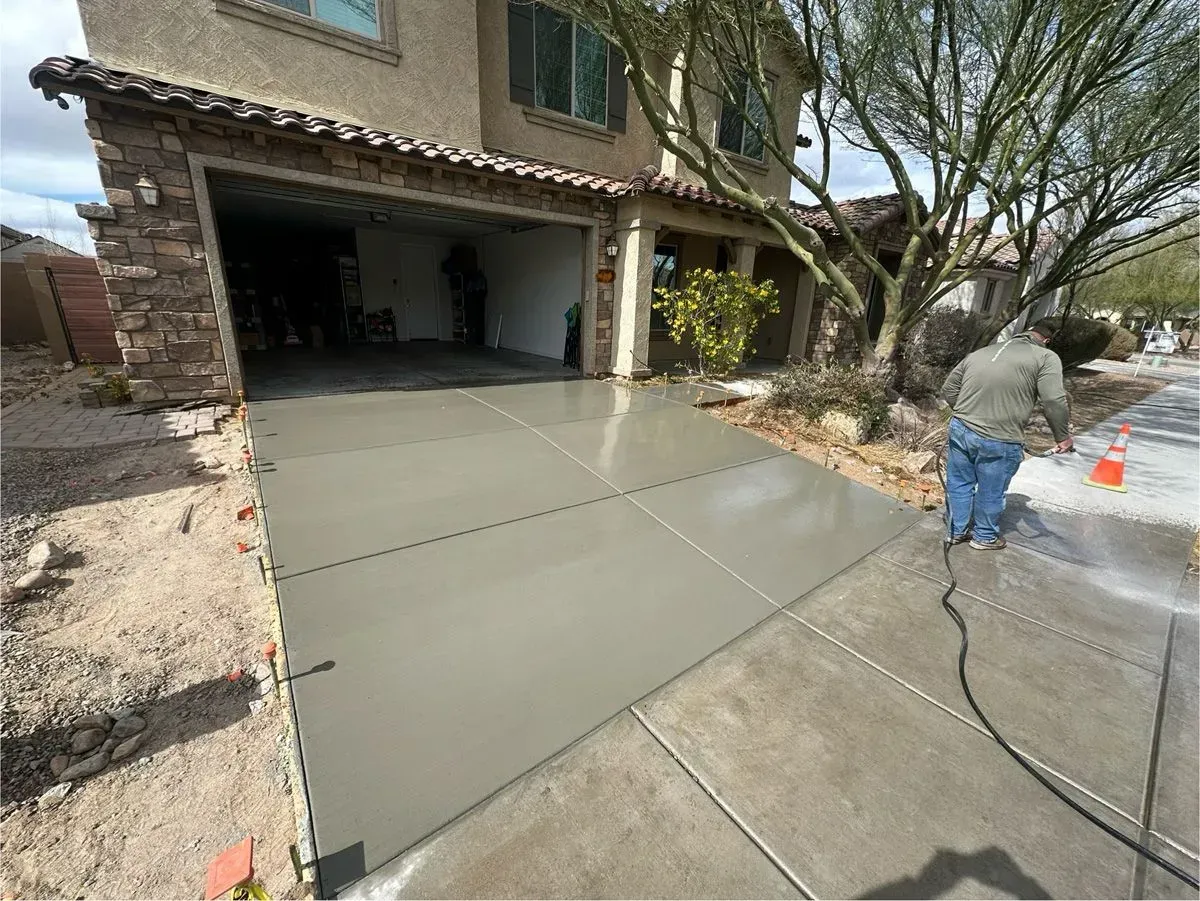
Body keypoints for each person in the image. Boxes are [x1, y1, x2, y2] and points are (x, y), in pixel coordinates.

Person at [940, 319, 1074, 550]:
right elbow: (1053, 399)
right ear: (1046, 340)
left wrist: (968, 413)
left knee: (959, 482)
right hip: (1000, 437)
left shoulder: (982, 352)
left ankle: (955, 531)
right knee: (991, 489)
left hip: (961, 429)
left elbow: (949, 389)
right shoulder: (1045, 357)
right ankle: (984, 537)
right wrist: (1062, 436)